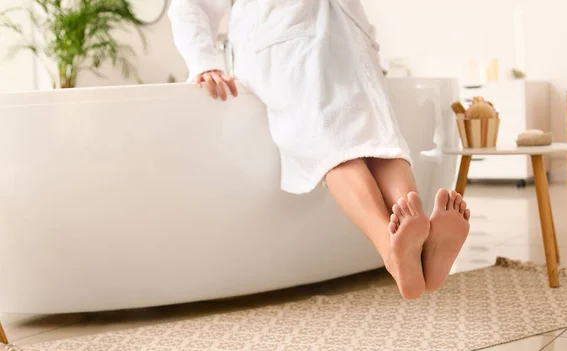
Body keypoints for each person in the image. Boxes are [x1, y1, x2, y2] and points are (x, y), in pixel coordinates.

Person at [168, 0, 470, 300]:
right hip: (289, 44)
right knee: (344, 141)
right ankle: (400, 248)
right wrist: (203, 60)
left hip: (345, 45)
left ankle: (415, 250)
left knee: (374, 141)